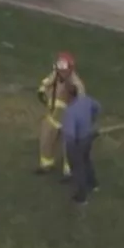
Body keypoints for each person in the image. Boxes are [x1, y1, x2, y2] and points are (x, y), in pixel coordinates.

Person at [33, 51, 85, 179]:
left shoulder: (76, 83)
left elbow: (82, 99)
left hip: (69, 119)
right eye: (59, 69)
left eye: (63, 70)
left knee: (69, 145)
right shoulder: (56, 75)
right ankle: (46, 164)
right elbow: (46, 83)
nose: (61, 73)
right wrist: (42, 91)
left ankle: (69, 171)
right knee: (46, 138)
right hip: (54, 116)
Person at [59, 80, 101, 204]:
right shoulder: (86, 100)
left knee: (77, 167)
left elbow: (70, 135)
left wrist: (69, 149)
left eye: (63, 93)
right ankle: (93, 184)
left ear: (69, 96)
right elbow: (97, 107)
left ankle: (81, 196)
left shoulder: (70, 112)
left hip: (78, 141)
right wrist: (93, 121)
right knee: (86, 160)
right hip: (89, 136)